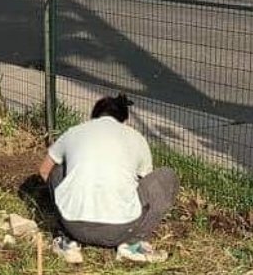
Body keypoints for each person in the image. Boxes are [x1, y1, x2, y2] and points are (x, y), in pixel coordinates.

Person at [38, 94, 177, 263]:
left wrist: (67, 199)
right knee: (167, 176)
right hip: (120, 231)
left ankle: (68, 241)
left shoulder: (73, 132)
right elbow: (147, 185)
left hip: (74, 226)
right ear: (124, 120)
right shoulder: (136, 137)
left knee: (57, 169)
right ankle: (133, 245)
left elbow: (44, 170)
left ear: (94, 117)